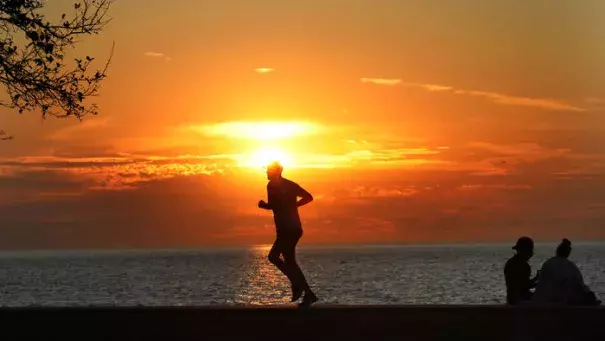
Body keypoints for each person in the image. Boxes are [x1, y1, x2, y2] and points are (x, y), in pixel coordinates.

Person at [258, 161, 318, 307]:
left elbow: (273, 205)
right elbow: (309, 197)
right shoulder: (291, 185)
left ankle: (299, 285)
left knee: (274, 257)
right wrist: (294, 205)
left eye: (269, 171)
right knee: (289, 261)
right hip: (295, 228)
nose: (266, 173)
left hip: (285, 229)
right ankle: (306, 292)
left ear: (276, 172)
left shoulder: (272, 185)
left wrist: (262, 205)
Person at [531, 239, 600, 306]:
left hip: (544, 298)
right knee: (590, 296)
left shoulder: (548, 263)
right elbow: (579, 285)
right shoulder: (570, 266)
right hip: (562, 299)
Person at [504, 237, 539, 305]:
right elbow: (523, 286)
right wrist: (537, 281)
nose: (531, 253)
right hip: (518, 300)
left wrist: (536, 280)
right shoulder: (517, 265)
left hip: (516, 299)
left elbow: (524, 285)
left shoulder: (518, 263)